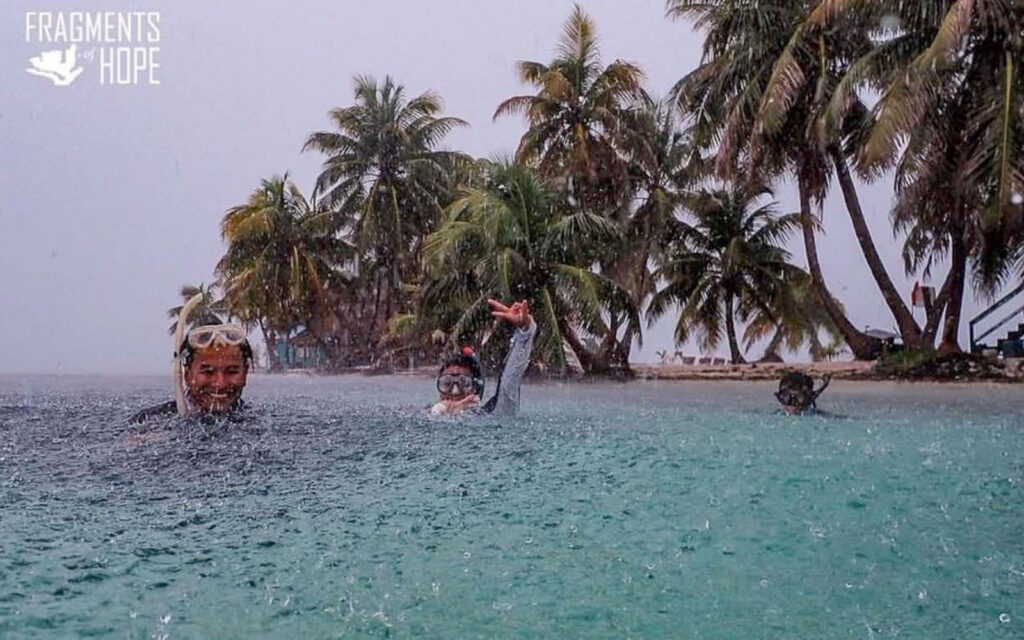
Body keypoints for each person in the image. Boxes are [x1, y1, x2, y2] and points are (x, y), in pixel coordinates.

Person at [429, 299, 536, 416]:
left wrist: (525, 331)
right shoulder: (428, 415)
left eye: (464, 383)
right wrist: (439, 411)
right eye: (446, 384)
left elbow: (509, 383)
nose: (455, 391)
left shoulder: (494, 414)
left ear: (474, 389)